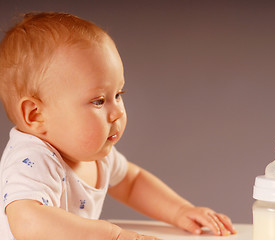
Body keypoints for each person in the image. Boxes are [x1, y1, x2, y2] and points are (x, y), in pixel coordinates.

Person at [0, 12, 236, 240]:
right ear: (35, 114)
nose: (118, 112)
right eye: (99, 101)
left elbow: (131, 182)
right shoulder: (31, 160)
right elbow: (26, 222)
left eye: (118, 94)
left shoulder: (94, 153)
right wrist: (113, 235)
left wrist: (180, 211)